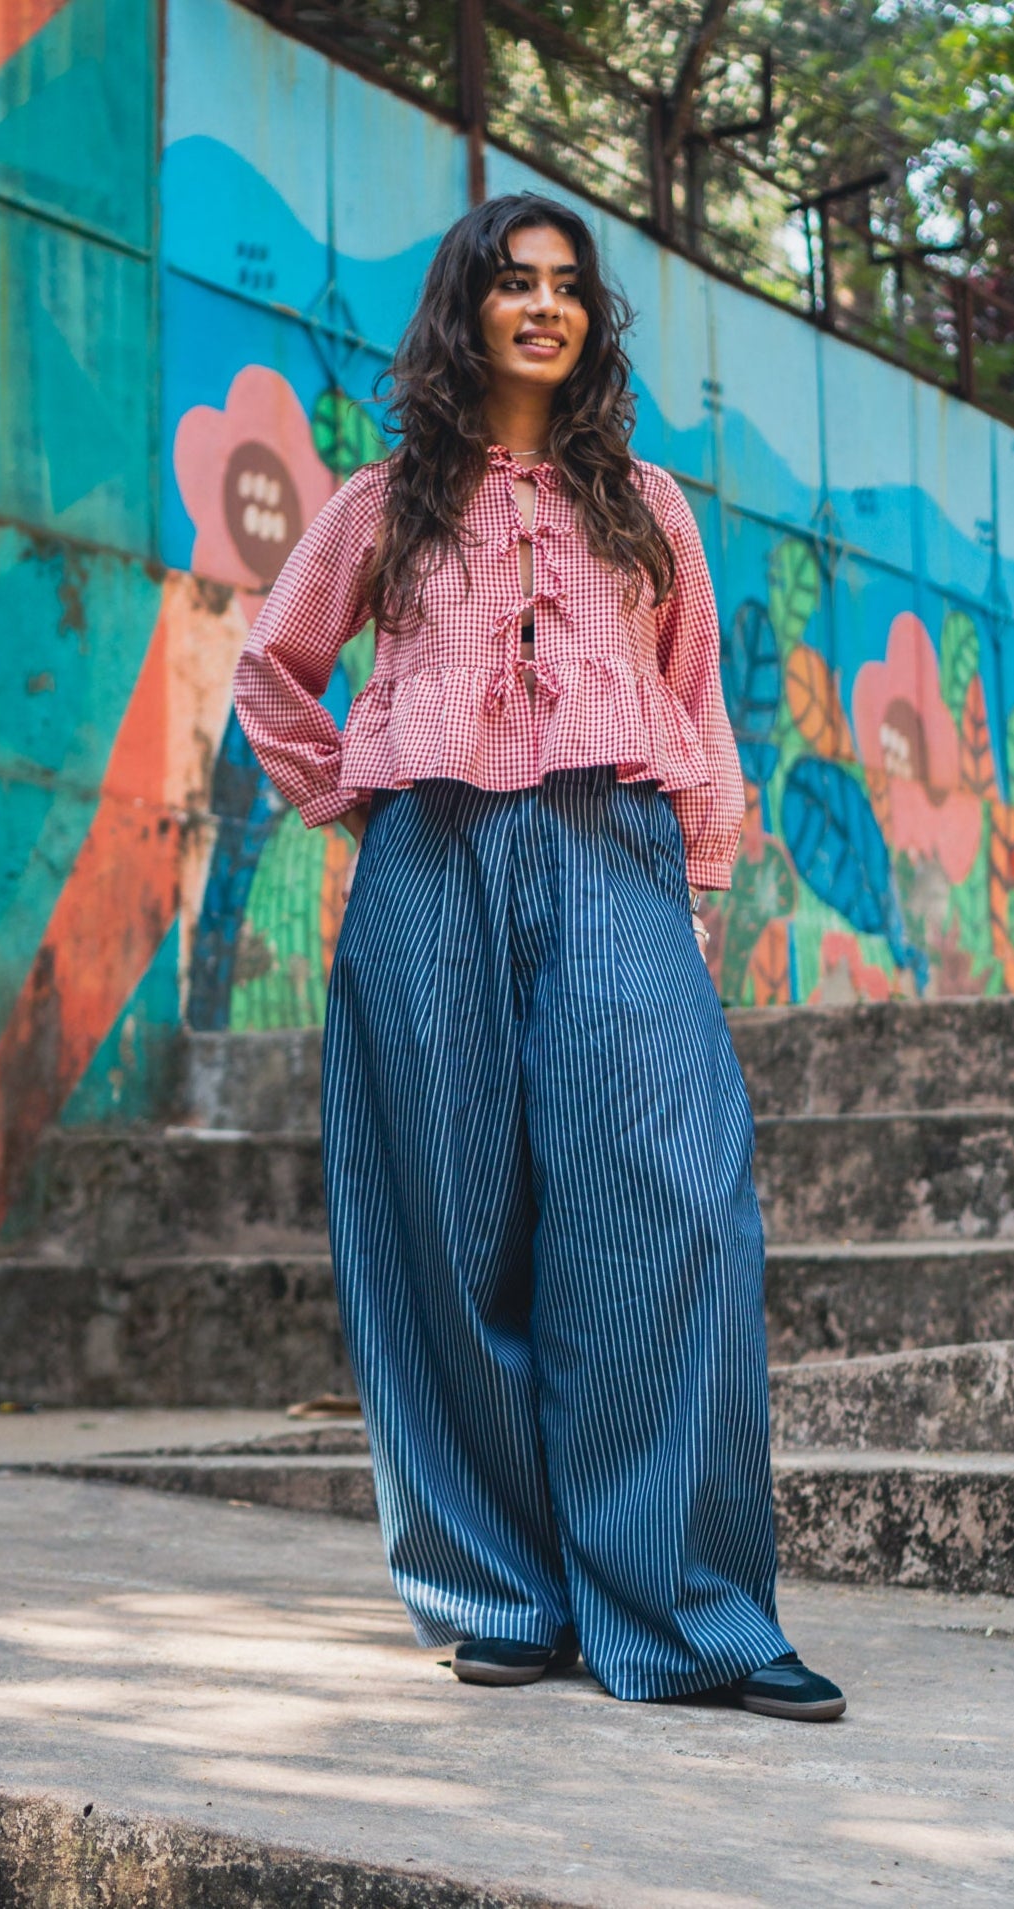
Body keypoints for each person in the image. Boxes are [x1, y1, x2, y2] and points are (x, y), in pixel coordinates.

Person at [232, 191, 845, 1722]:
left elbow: (695, 706)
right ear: (468, 311)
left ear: (591, 323)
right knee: (442, 1218)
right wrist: (355, 794)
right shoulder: (385, 506)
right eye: (513, 283)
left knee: (672, 1200)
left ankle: (692, 1609)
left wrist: (693, 893)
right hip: (428, 862)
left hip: (613, 857)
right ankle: (500, 1587)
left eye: (568, 286)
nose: (544, 306)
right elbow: (274, 671)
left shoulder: (651, 507)